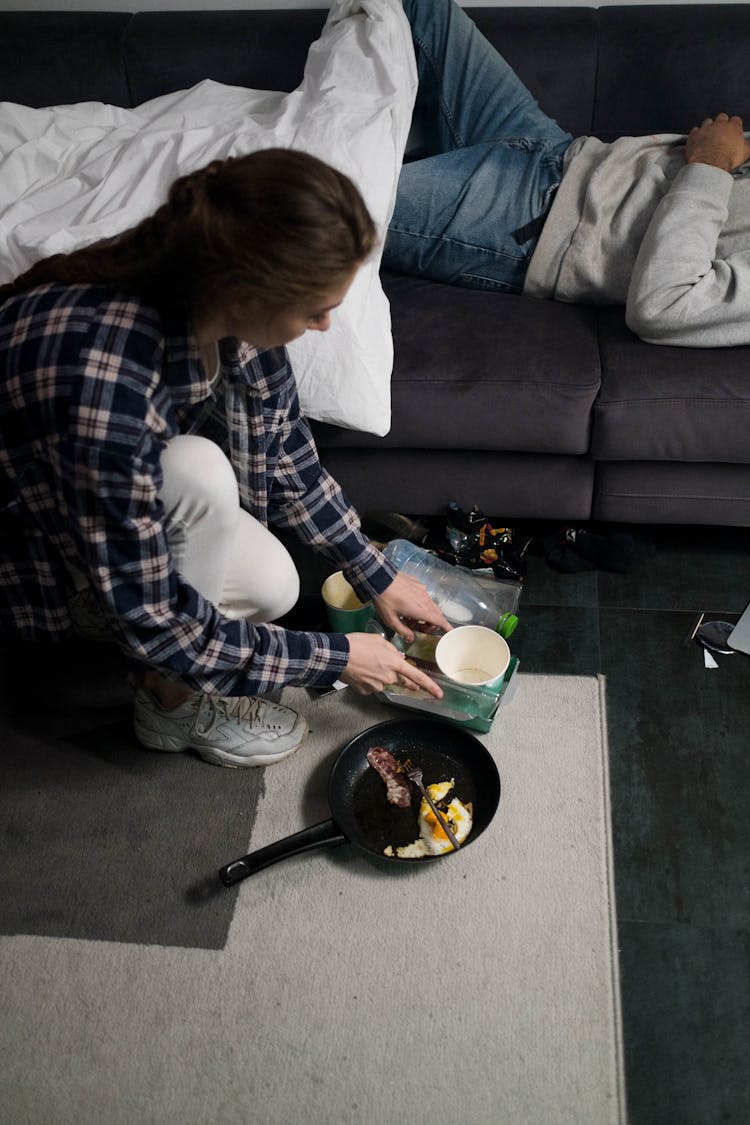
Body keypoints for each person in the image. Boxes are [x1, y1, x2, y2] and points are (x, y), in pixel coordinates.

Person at [0, 147, 451, 769]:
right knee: (199, 469)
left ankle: (171, 661)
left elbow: (290, 461)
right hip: (39, 553)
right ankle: (169, 705)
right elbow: (160, 625)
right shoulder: (106, 386)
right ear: (245, 289)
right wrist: (337, 657)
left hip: (110, 509)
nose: (323, 325)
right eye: (315, 308)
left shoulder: (224, 308)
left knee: (275, 585)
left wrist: (376, 574)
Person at [385, 0, 750, 347]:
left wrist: (711, 161)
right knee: (415, 7)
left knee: (328, 194)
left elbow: (664, 307)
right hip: (557, 152)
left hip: (533, 227)